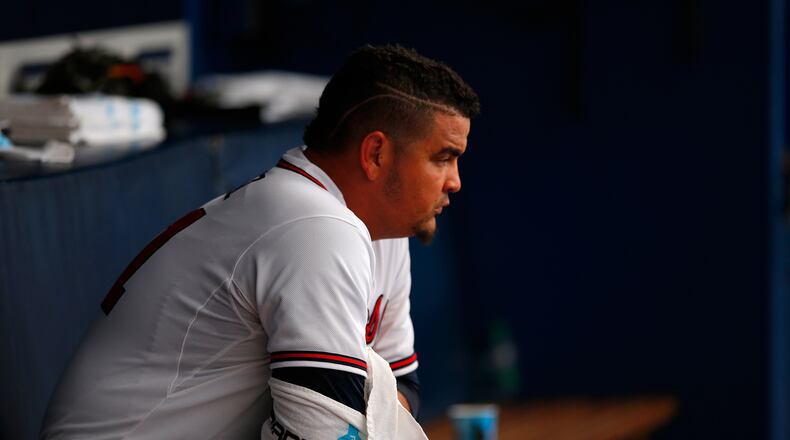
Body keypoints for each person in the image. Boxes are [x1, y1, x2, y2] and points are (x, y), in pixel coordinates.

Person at [41, 44, 480, 439]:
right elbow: (326, 435)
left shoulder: (374, 230)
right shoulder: (314, 225)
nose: (455, 182)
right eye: (442, 157)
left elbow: (402, 390)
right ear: (376, 154)